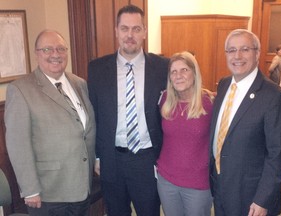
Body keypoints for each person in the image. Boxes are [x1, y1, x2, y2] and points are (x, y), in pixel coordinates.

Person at [87, 4, 169, 216]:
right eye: (124, 29)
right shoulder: (97, 69)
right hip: (112, 159)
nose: (130, 35)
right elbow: (93, 116)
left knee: (149, 212)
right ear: (116, 31)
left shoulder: (163, 67)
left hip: (147, 160)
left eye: (136, 29)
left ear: (144, 31)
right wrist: (97, 157)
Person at [5, 30, 96, 216]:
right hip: (49, 193)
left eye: (61, 49)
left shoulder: (79, 83)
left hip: (82, 187)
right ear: (37, 53)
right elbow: (18, 144)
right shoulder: (21, 90)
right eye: (47, 49)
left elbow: (86, 130)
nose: (55, 54)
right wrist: (30, 189)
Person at [209, 29, 281, 216]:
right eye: (231, 50)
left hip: (251, 197)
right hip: (221, 187)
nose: (237, 56)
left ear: (257, 53)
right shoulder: (224, 84)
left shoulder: (273, 96)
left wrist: (263, 199)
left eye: (245, 49)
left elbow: (277, 155)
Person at [156, 51, 213, 216]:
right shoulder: (165, 101)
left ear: (194, 73)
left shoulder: (209, 102)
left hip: (198, 183)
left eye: (184, 70)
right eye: (173, 72)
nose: (178, 75)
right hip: (166, 180)